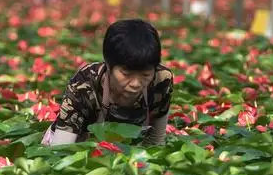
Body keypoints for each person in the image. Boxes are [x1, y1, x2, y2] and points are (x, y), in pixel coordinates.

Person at [42, 19, 174, 147]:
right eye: (126, 74)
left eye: (145, 75)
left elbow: (156, 142)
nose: (136, 84)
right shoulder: (83, 83)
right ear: (108, 65)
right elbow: (60, 149)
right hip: (80, 146)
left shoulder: (161, 80)